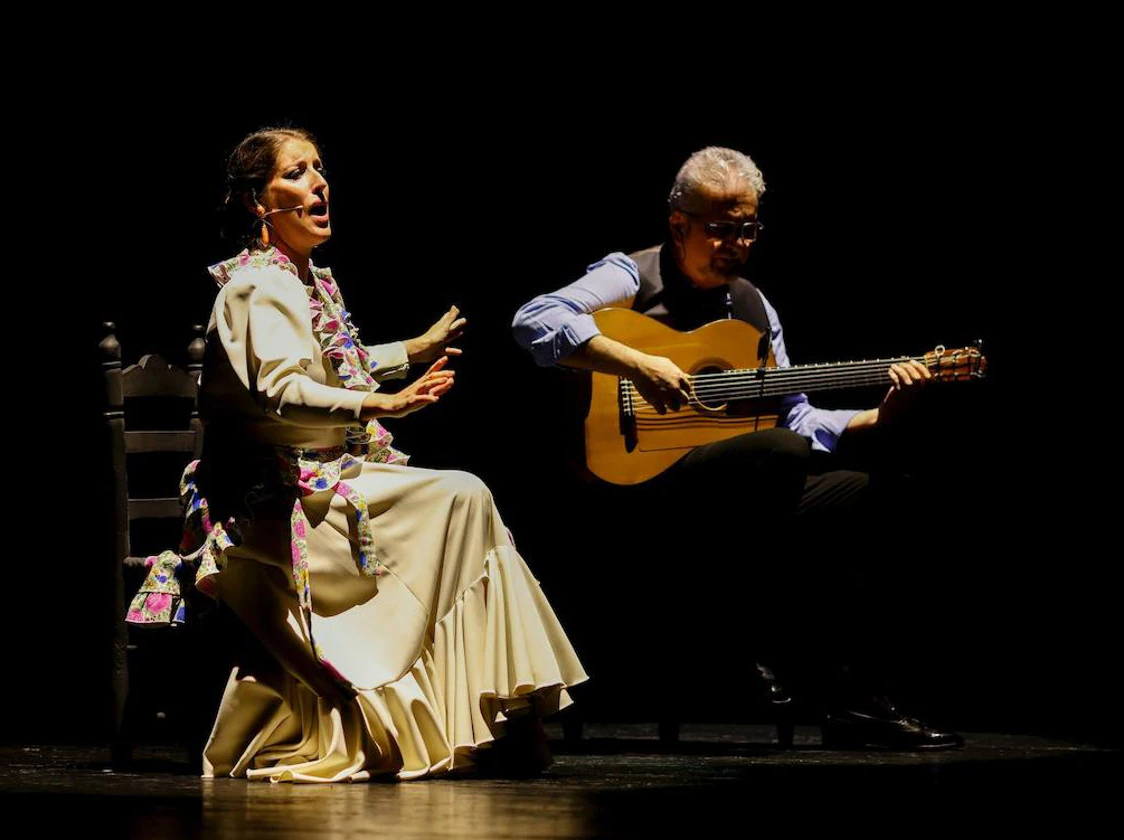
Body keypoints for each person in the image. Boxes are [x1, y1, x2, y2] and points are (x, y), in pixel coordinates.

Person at [127, 126, 586, 782]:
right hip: (269, 504)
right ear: (260, 204)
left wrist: (411, 353)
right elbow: (285, 390)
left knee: (462, 497)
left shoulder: (303, 280)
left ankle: (502, 721)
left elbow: (333, 363)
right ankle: (494, 720)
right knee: (461, 496)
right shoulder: (258, 287)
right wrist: (387, 405)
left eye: (320, 168)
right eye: (297, 173)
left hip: (317, 480)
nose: (319, 182)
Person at [511, 146, 961, 750]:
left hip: (731, 495)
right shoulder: (631, 275)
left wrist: (881, 417)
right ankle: (734, 637)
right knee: (775, 455)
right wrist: (637, 362)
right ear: (679, 226)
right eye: (720, 230)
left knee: (876, 491)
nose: (736, 244)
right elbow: (534, 318)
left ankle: (854, 700)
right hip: (631, 488)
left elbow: (798, 417)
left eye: (747, 229)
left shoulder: (753, 308)